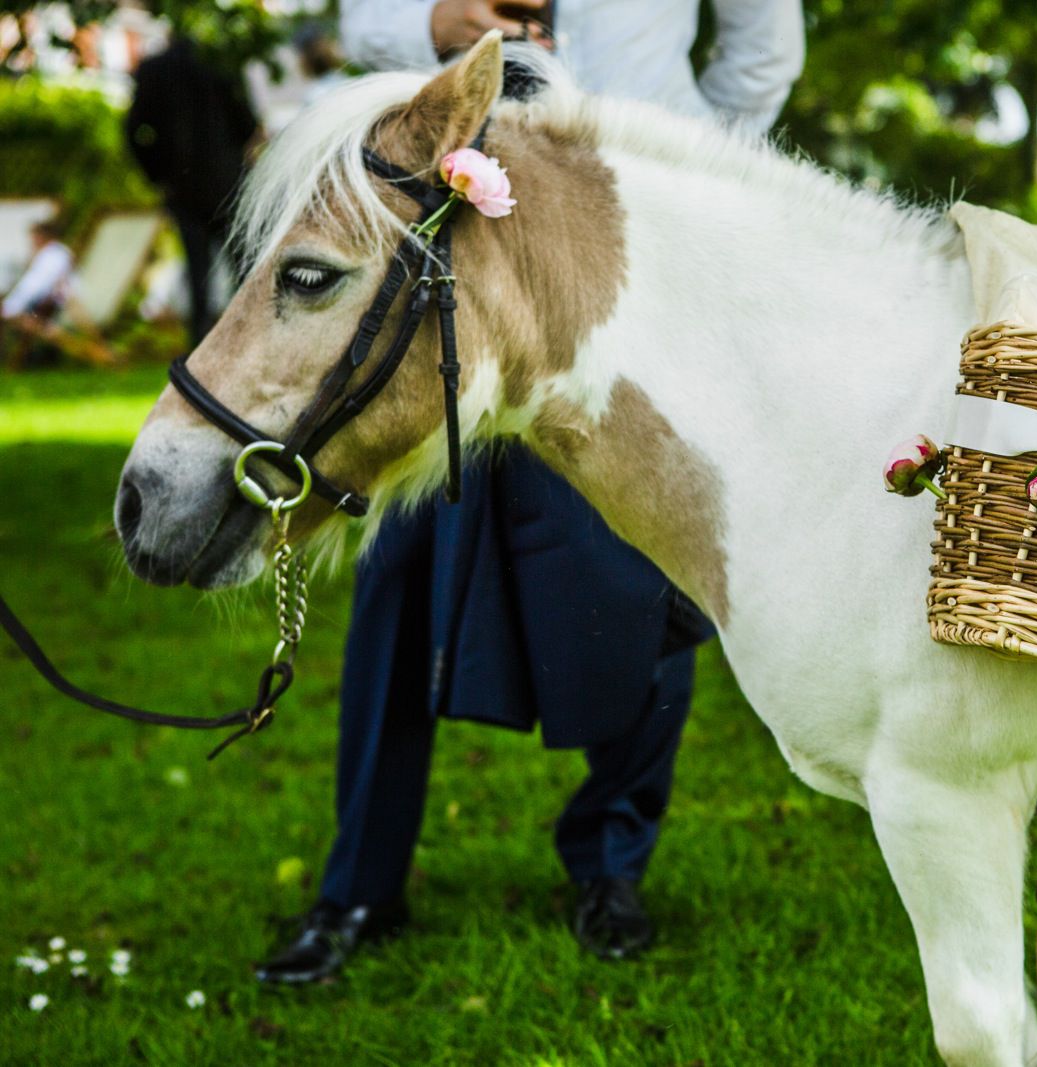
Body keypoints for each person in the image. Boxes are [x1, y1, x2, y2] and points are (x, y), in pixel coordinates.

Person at [253, 0, 803, 984]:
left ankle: (611, 863)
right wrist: (430, 24)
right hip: (443, 235)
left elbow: (763, 44)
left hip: (630, 254)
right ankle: (357, 886)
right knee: (398, 576)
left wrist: (685, 165)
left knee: (647, 570)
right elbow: (362, 15)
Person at [124, 35, 260, 344]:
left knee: (198, 273)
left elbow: (135, 129)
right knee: (242, 268)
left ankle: (200, 342)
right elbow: (247, 123)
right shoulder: (222, 63)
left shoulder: (154, 69)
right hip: (229, 184)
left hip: (181, 186)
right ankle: (249, 338)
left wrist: (157, 173)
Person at [1, 219, 74, 369]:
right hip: (40, 304)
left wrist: (11, 307)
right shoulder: (53, 254)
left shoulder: (53, 256)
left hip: (41, 306)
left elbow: (35, 287)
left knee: (19, 319)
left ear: (41, 236)